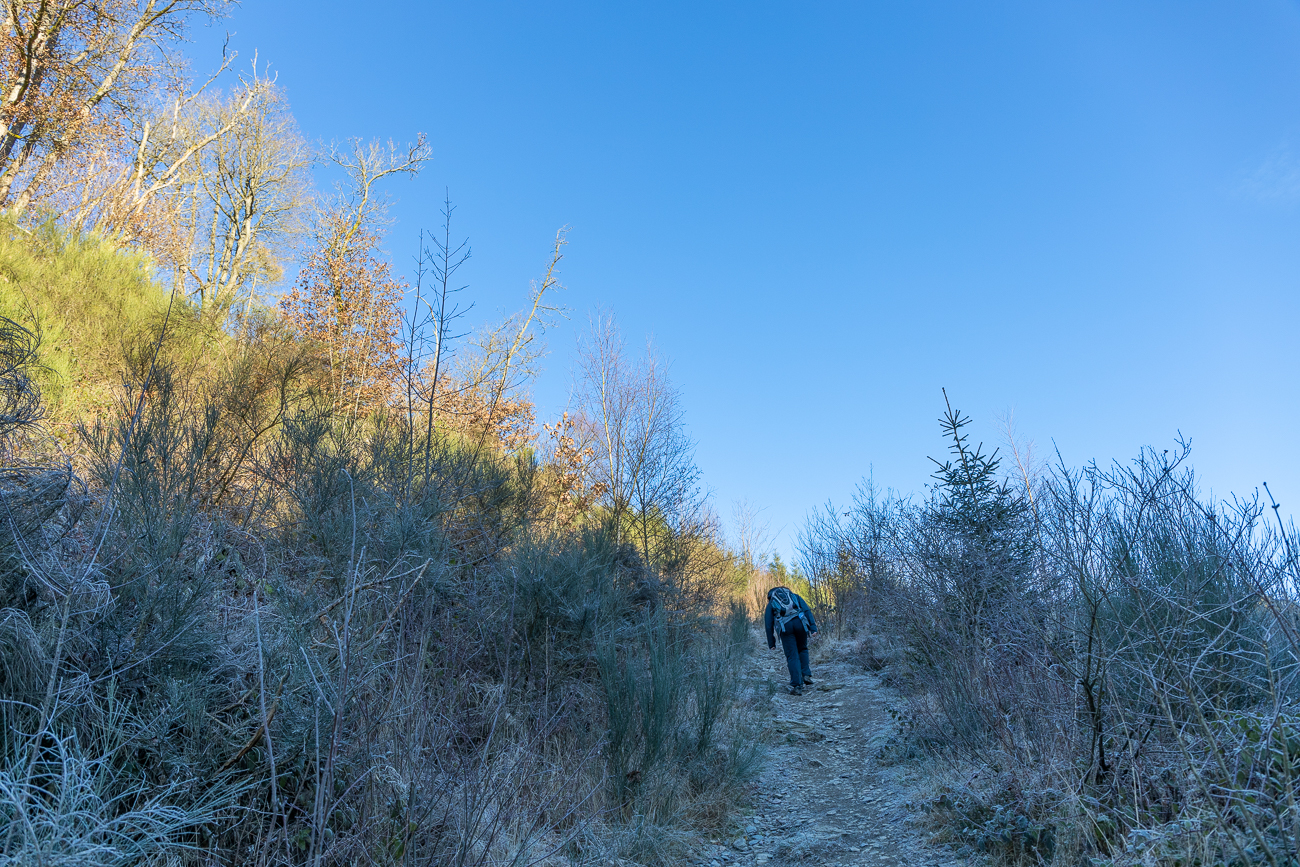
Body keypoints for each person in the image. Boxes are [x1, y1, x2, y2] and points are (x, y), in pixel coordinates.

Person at [764, 585, 819, 695]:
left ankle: (797, 686)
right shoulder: (795, 596)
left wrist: (771, 642)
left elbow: (768, 623)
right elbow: (807, 610)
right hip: (800, 624)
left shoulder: (771, 603)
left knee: (792, 655)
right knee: (803, 649)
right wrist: (813, 627)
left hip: (785, 628)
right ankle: (806, 675)